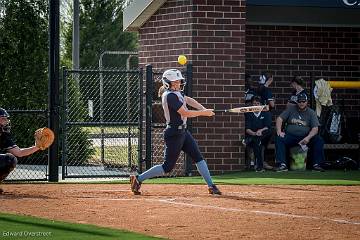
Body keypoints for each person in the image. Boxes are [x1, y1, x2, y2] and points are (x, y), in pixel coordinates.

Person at [130, 69, 221, 195]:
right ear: (167, 83)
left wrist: (203, 108)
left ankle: (211, 186)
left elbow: (189, 100)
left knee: (198, 158)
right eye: (175, 82)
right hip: (173, 134)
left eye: (179, 82)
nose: (178, 84)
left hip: (183, 132)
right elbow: (185, 113)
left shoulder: (178, 93)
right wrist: (204, 113)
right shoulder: (169, 96)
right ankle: (138, 179)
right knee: (167, 167)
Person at [275, 93, 325, 172]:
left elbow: (315, 128)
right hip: (291, 136)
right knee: (279, 139)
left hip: (305, 137)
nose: (301, 103)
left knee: (319, 140)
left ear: (306, 102)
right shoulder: (291, 109)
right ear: (297, 102)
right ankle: (282, 164)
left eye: (303, 101)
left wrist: (308, 138)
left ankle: (317, 165)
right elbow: (279, 119)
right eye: (299, 101)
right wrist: (279, 131)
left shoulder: (311, 112)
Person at [0, 108, 41, 194]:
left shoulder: (3, 135)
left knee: (10, 160)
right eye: (3, 119)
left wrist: (37, 146)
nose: (6, 121)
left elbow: (19, 153)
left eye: (6, 119)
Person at [244, 96, 272, 172]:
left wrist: (260, 130)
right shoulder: (249, 114)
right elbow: (247, 129)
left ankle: (249, 140)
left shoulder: (266, 112)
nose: (256, 105)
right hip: (254, 135)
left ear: (261, 104)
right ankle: (260, 167)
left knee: (264, 135)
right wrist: (254, 133)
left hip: (264, 136)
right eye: (254, 104)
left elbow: (268, 126)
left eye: (258, 103)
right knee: (257, 142)